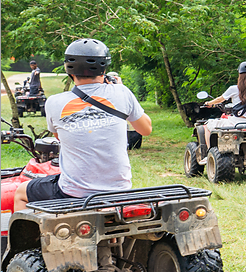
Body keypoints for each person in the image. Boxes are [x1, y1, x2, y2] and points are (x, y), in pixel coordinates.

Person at [13, 39, 153, 211]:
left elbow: (59, 137)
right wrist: (120, 88)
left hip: (73, 192)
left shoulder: (54, 102)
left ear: (68, 70)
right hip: (118, 191)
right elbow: (145, 129)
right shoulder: (121, 92)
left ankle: (29, 237)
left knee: (20, 193)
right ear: (104, 68)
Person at [202, 61, 246, 135]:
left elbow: (220, 99)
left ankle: (209, 147)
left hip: (236, 122)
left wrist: (208, 103)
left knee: (208, 125)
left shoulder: (234, 89)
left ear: (240, 75)